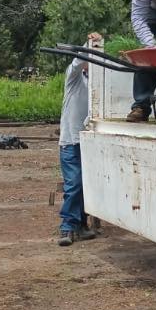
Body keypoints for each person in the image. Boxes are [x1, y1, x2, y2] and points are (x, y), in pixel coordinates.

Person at [58, 32, 101, 247]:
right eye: (89, 61)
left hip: (88, 141)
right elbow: (78, 62)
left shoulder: (95, 84)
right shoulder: (73, 78)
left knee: (86, 184)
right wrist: (91, 44)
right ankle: (67, 227)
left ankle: (81, 224)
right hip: (70, 141)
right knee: (74, 183)